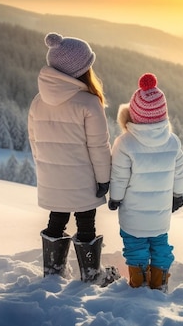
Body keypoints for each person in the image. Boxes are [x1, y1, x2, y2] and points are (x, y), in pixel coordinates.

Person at [28, 32, 119, 286]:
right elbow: (99, 147)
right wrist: (104, 179)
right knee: (85, 223)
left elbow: (35, 144)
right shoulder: (89, 103)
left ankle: (53, 273)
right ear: (81, 70)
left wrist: (47, 173)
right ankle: (92, 276)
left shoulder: (37, 102)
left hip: (52, 179)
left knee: (56, 220)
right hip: (82, 180)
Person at [108, 73, 183, 292]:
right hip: (160, 213)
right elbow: (180, 172)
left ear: (134, 113)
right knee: (160, 245)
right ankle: (158, 282)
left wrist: (115, 197)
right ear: (163, 113)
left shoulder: (125, 143)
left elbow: (119, 176)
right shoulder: (173, 141)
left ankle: (138, 282)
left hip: (133, 213)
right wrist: (177, 195)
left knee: (136, 247)